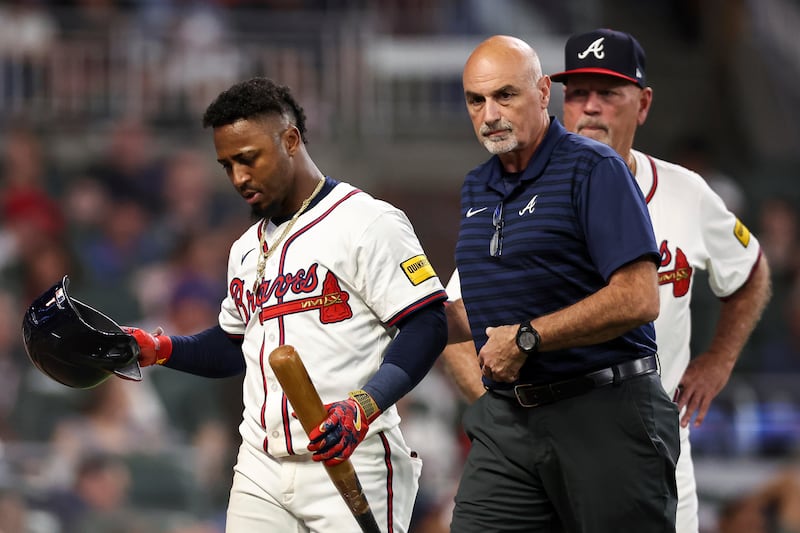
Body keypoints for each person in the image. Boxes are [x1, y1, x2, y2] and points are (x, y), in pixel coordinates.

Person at [123, 77, 448, 532]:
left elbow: (427, 323)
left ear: (290, 140)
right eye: (226, 165)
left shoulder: (366, 221)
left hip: (351, 455)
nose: (238, 177)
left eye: (248, 158)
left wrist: (364, 405)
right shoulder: (244, 249)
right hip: (260, 464)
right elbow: (232, 345)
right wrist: (162, 348)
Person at [443, 35, 680, 532]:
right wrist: (403, 318)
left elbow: (638, 298)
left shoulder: (594, 168)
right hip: (509, 421)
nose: (490, 115)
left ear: (543, 91)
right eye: (476, 100)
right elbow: (481, 312)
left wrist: (529, 337)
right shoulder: (475, 186)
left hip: (606, 415)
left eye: (505, 95)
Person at [550, 28, 772, 532]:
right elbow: (457, 314)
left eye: (607, 93)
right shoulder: (525, 198)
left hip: (658, 452)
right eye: (578, 93)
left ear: (643, 104)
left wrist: (719, 360)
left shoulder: (686, 193)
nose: (590, 108)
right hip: (556, 454)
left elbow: (752, 270)